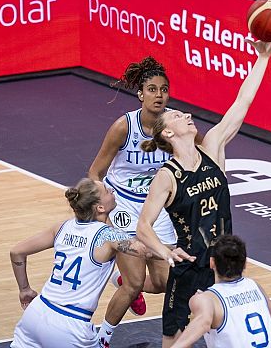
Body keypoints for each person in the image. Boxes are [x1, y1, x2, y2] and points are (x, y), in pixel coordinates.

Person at [136, 39, 271, 347]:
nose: (185, 114)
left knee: (229, 337)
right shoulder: (166, 176)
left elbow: (243, 102)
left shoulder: (212, 147)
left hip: (223, 263)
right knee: (172, 342)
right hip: (188, 267)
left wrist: (263, 57)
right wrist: (165, 252)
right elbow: (143, 227)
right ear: (168, 133)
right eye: (176, 115)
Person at [9, 178, 191, 348]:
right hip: (70, 324)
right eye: (107, 191)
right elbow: (146, 251)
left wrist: (24, 290)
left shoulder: (62, 227)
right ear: (100, 208)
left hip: (35, 313)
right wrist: (172, 253)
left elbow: (16, 252)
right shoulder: (109, 236)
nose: (112, 190)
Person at [87, 57, 177, 347]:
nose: (159, 95)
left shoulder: (175, 123)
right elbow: (95, 172)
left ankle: (120, 280)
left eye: (163, 89)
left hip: (156, 207)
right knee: (137, 281)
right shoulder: (123, 127)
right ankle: (103, 338)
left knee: (165, 282)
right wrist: (103, 212)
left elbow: (200, 151)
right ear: (140, 94)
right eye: (152, 89)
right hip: (123, 205)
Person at [171, 235, 271, 348]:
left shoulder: (206, 299)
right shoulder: (255, 286)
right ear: (245, 263)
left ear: (212, 262)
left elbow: (203, 323)